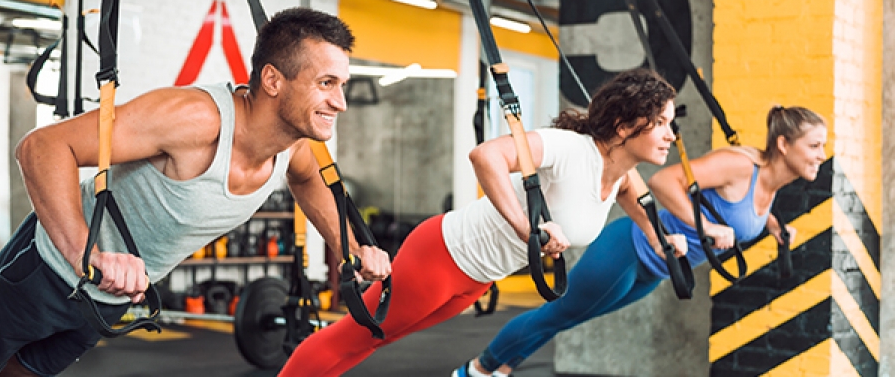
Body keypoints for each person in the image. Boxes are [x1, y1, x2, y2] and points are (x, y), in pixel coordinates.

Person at [0, 7, 391, 377]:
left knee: (25, 372)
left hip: (109, 297)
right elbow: (41, 148)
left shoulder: (292, 147)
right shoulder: (196, 120)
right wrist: (89, 256)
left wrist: (349, 249)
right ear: (272, 80)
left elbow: (307, 179)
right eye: (326, 84)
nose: (339, 102)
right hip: (46, 269)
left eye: (341, 85)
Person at [280, 68, 684, 376]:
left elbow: (634, 198)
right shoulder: (570, 149)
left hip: (478, 277)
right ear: (625, 126)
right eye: (661, 123)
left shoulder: (617, 173)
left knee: (378, 338)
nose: (670, 135)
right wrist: (529, 231)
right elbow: (485, 156)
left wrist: (660, 239)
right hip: (441, 257)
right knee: (352, 337)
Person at [453, 105, 827, 377]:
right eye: (814, 146)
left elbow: (746, 214)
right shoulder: (741, 165)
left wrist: (774, 227)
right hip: (631, 250)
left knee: (564, 320)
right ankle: (477, 369)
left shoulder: (772, 183)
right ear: (783, 144)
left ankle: (500, 369)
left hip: (657, 269)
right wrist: (708, 230)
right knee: (556, 314)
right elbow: (665, 182)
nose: (821, 155)